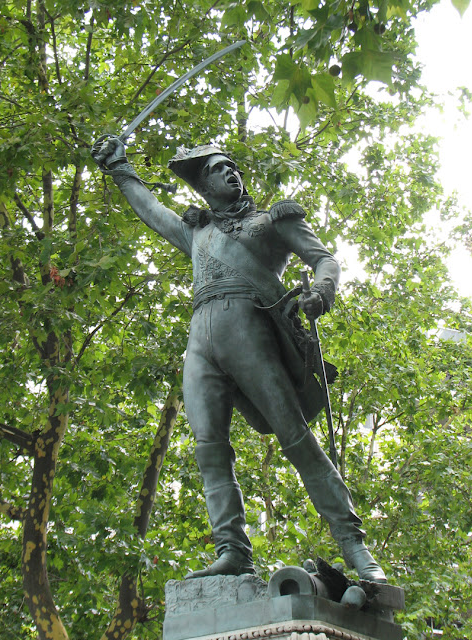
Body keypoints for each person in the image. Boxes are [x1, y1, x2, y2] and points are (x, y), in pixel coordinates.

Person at [91, 137, 387, 583]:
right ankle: (232, 549)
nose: (231, 173)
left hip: (251, 328)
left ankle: (355, 546)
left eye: (234, 167)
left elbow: (324, 259)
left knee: (295, 436)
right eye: (217, 169)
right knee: (208, 447)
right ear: (203, 184)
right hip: (201, 341)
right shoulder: (196, 233)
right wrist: (119, 167)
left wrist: (321, 294)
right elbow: (151, 209)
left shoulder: (271, 221)